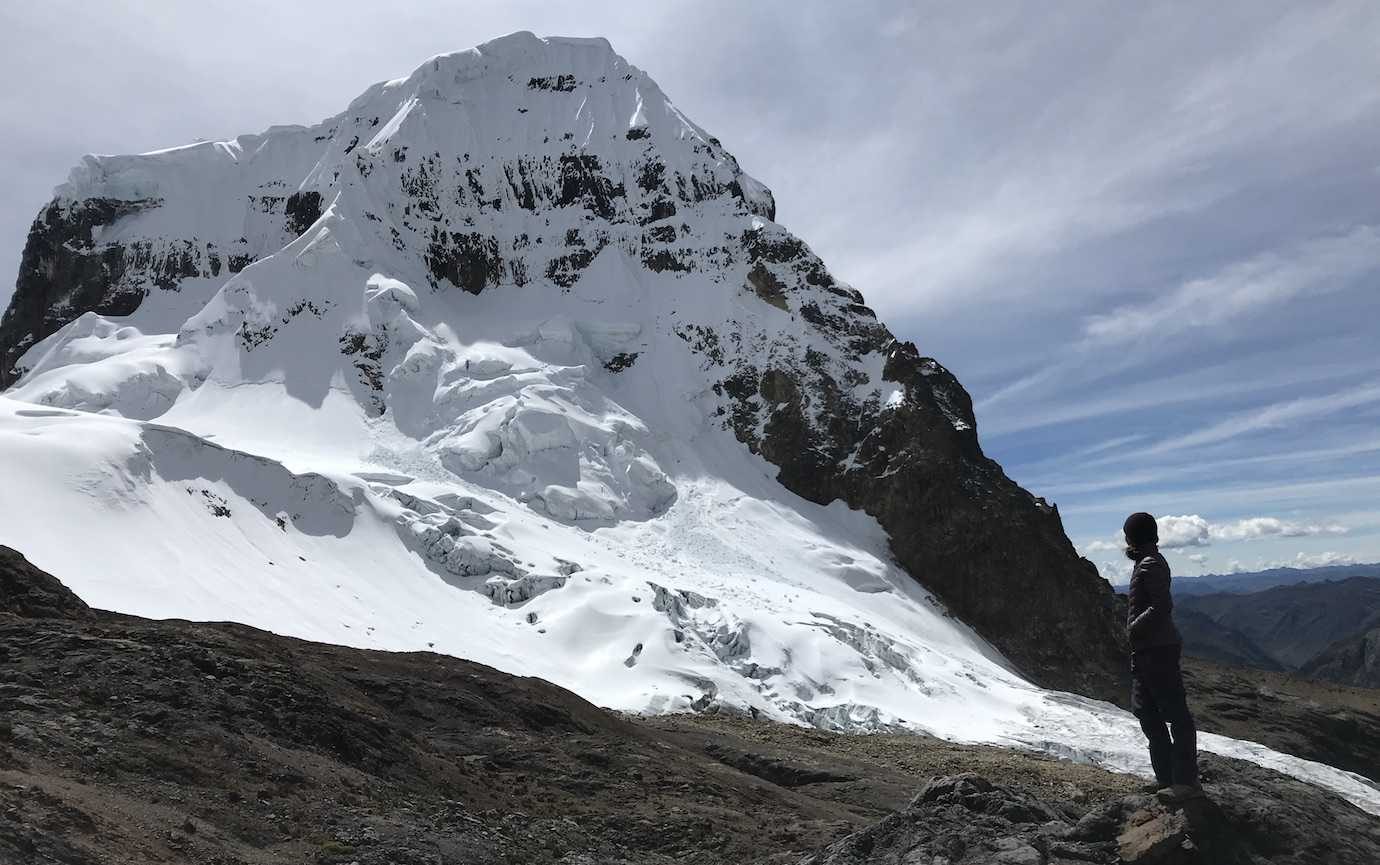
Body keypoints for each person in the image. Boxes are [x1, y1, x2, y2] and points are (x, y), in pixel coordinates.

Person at [1123, 511, 1199, 790]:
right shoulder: (1147, 561)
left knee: (1175, 715)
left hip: (1157, 649)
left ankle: (1185, 781)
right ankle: (1168, 779)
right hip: (1149, 650)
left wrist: (1134, 629)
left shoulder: (1150, 564)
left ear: (1133, 536)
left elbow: (1161, 606)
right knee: (1148, 713)